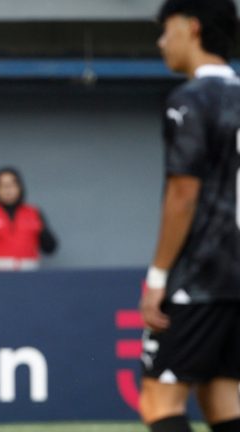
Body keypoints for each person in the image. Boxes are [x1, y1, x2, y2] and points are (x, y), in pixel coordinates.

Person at [139, 1, 240, 432]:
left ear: (191, 27)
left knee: (158, 401)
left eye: (166, 30)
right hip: (236, 280)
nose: (162, 42)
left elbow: (183, 194)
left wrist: (159, 277)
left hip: (199, 277)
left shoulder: (191, 99)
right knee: (221, 398)